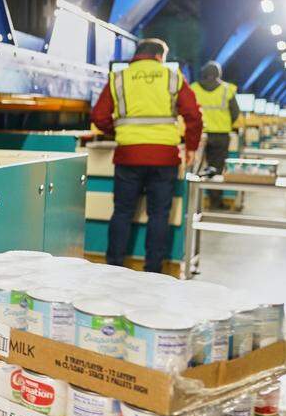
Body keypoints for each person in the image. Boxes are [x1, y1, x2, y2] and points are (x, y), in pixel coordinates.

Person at [90, 38, 202, 272]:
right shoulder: (172, 77)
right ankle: (153, 269)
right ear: (160, 57)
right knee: (159, 214)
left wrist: (118, 131)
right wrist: (191, 146)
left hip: (128, 156)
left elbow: (99, 117)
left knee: (121, 212)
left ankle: (113, 267)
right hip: (164, 158)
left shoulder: (118, 78)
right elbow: (193, 114)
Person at [191, 61, 240, 207]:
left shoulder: (193, 88)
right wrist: (224, 123)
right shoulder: (227, 89)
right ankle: (215, 202)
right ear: (219, 74)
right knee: (216, 170)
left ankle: (194, 203)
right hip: (220, 135)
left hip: (199, 134)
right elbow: (235, 113)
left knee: (196, 169)